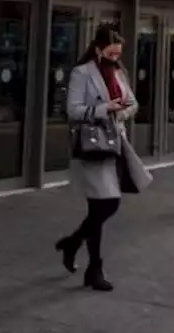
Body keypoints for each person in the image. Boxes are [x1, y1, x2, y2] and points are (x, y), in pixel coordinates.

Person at [54, 25, 151, 291]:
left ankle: (76, 248)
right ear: (98, 49)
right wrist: (103, 108)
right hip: (92, 146)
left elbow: (133, 103)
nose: (114, 58)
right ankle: (91, 264)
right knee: (107, 204)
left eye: (118, 53)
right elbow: (72, 110)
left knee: (101, 207)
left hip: (114, 143)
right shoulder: (81, 73)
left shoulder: (119, 72)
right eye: (110, 52)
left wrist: (120, 111)